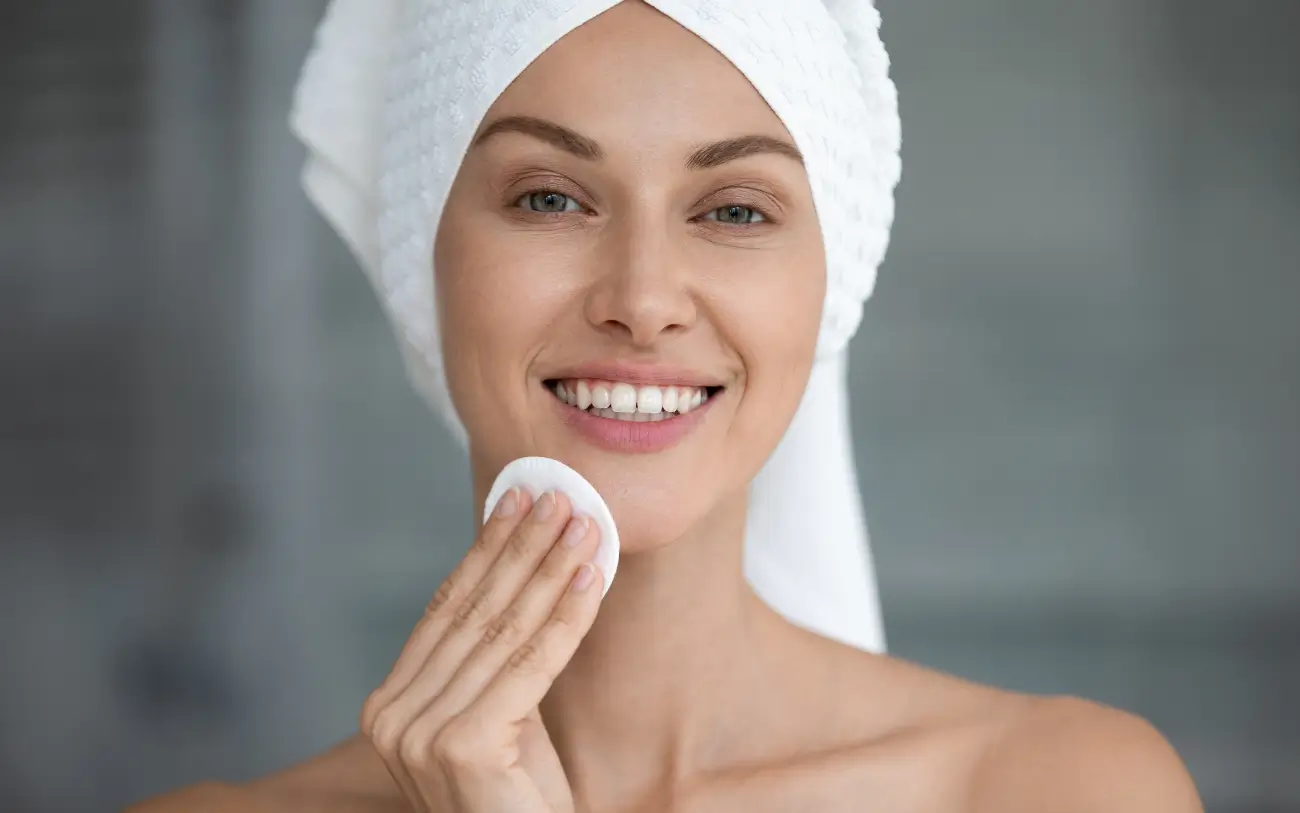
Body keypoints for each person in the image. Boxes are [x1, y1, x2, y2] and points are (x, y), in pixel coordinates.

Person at [130, 1, 1204, 810]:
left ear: (828, 285)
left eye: (733, 209)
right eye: (549, 197)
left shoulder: (1059, 789)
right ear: (428, 252)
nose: (641, 302)